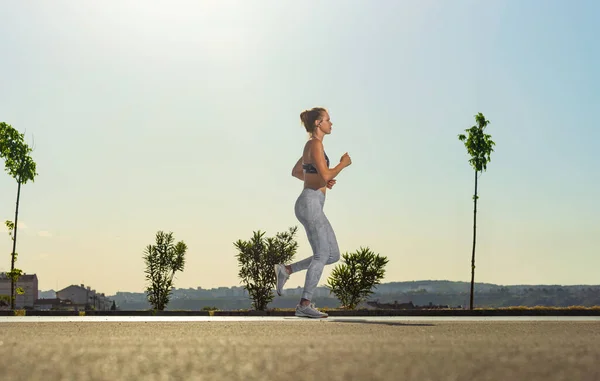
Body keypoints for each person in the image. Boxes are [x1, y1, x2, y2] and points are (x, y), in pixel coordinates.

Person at [274, 107, 352, 318]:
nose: (331, 123)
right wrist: (342, 165)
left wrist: (322, 180)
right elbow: (325, 173)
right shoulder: (315, 144)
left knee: (333, 255)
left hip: (312, 202)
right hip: (310, 203)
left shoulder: (312, 146)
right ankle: (304, 304)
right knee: (321, 255)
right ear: (318, 123)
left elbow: (298, 172)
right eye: (328, 120)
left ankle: (287, 270)